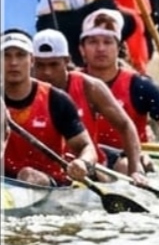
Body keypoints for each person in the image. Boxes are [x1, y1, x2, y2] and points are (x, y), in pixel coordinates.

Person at [75, 9, 159, 156]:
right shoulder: (68, 83)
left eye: (108, 42)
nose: (100, 48)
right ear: (82, 50)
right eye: (93, 42)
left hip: (132, 161)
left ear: (119, 48)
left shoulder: (140, 86)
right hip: (83, 161)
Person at [31, 28, 146, 179]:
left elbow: (125, 125)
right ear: (31, 63)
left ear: (66, 61)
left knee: (124, 166)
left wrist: (135, 169)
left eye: (54, 65)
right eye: (40, 65)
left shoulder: (90, 87)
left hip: (88, 168)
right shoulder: (21, 90)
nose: (47, 72)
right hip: (43, 173)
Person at [2, 29, 99, 187]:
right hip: (4, 180)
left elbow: (87, 147)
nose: (13, 62)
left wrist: (82, 163)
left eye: (20, 55)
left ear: (32, 60)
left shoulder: (56, 99)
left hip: (49, 182)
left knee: (27, 174)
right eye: (6, 55)